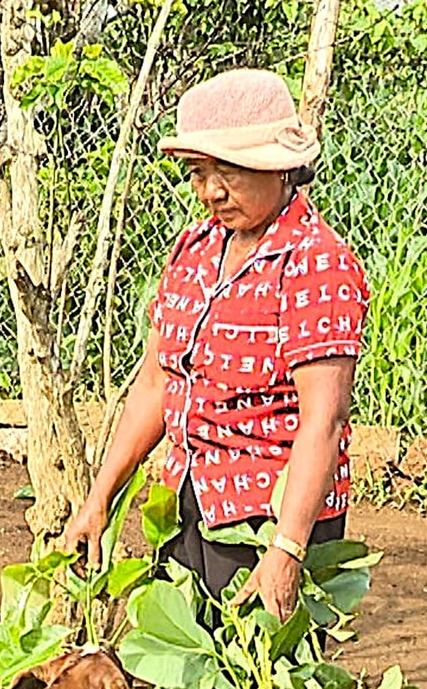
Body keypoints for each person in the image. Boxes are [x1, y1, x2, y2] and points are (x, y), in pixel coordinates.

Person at [61, 69, 367, 622]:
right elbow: (158, 381)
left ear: (279, 166)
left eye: (227, 170)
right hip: (188, 500)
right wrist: (99, 499)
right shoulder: (195, 249)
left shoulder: (315, 264)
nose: (211, 191)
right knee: (191, 682)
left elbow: (325, 419)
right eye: (200, 173)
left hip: (269, 516)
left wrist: (286, 551)